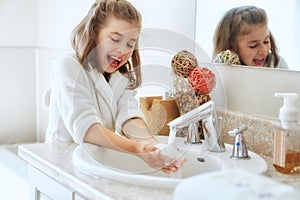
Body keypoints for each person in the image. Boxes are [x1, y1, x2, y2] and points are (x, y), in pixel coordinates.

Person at [45, 0, 185, 174]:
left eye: (130, 44)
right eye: (115, 39)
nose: (122, 50)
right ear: (94, 33)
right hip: (63, 164)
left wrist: (152, 145)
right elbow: (87, 129)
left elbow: (129, 116)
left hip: (96, 163)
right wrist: (138, 149)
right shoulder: (68, 65)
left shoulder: (122, 78)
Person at [212, 5, 288, 69]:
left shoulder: (277, 64)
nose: (264, 51)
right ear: (232, 47)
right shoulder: (223, 70)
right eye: (253, 46)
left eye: (266, 42)